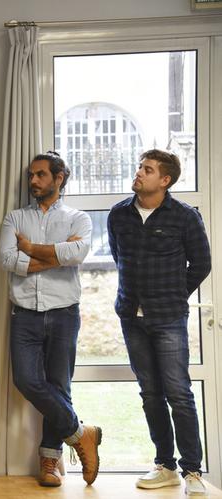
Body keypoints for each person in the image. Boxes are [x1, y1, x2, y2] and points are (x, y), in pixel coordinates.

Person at [108, 149, 211, 497]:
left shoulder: (184, 217)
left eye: (147, 169)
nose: (139, 173)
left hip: (168, 317)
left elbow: (201, 263)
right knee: (150, 394)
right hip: (130, 317)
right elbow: (118, 256)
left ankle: (193, 471)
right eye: (139, 167)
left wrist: (172, 293)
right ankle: (165, 466)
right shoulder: (119, 214)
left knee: (179, 393)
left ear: (164, 180)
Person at [0, 152, 100, 488]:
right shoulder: (15, 218)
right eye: (31, 176)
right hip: (24, 315)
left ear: (59, 178)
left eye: (41, 175)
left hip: (64, 314)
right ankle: (80, 432)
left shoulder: (78, 218)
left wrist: (31, 248)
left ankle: (50, 460)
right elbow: (7, 259)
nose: (33, 182)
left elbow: (78, 253)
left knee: (60, 385)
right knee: (26, 381)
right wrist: (56, 255)